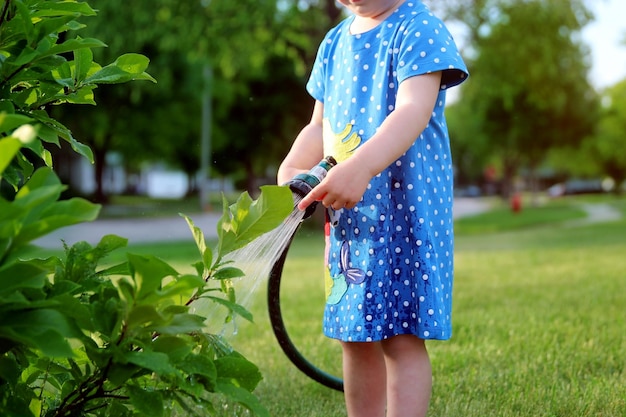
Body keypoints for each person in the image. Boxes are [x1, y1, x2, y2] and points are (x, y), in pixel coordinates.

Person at [277, 1, 468, 416]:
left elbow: (413, 110)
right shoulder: (334, 43)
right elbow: (318, 125)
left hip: (405, 214)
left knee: (401, 336)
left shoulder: (418, 28)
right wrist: (292, 166)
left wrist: (361, 166)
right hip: (352, 220)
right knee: (355, 334)